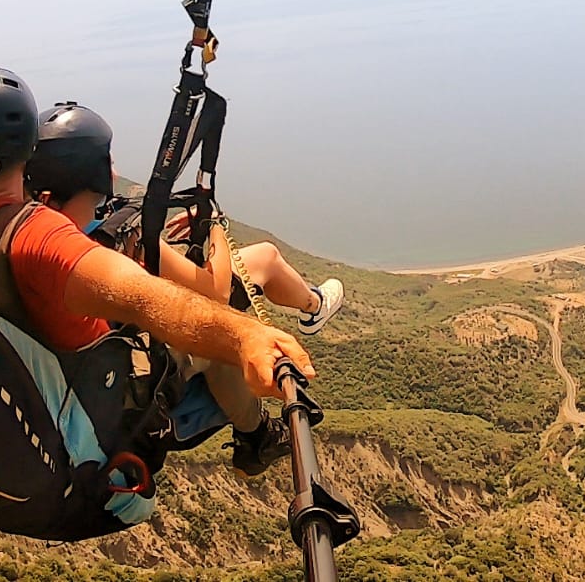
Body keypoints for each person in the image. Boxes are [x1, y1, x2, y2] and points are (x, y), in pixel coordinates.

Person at [0, 67, 314, 476]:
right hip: (100, 418)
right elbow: (149, 298)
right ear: (28, 151)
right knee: (221, 334)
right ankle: (256, 437)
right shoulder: (40, 238)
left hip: (9, 410)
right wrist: (242, 337)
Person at [24, 101, 346, 474]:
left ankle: (313, 304)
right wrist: (214, 228)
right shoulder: (115, 239)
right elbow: (215, 294)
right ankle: (256, 436)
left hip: (91, 363)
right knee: (220, 334)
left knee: (263, 258)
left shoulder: (33, 231)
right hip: (125, 381)